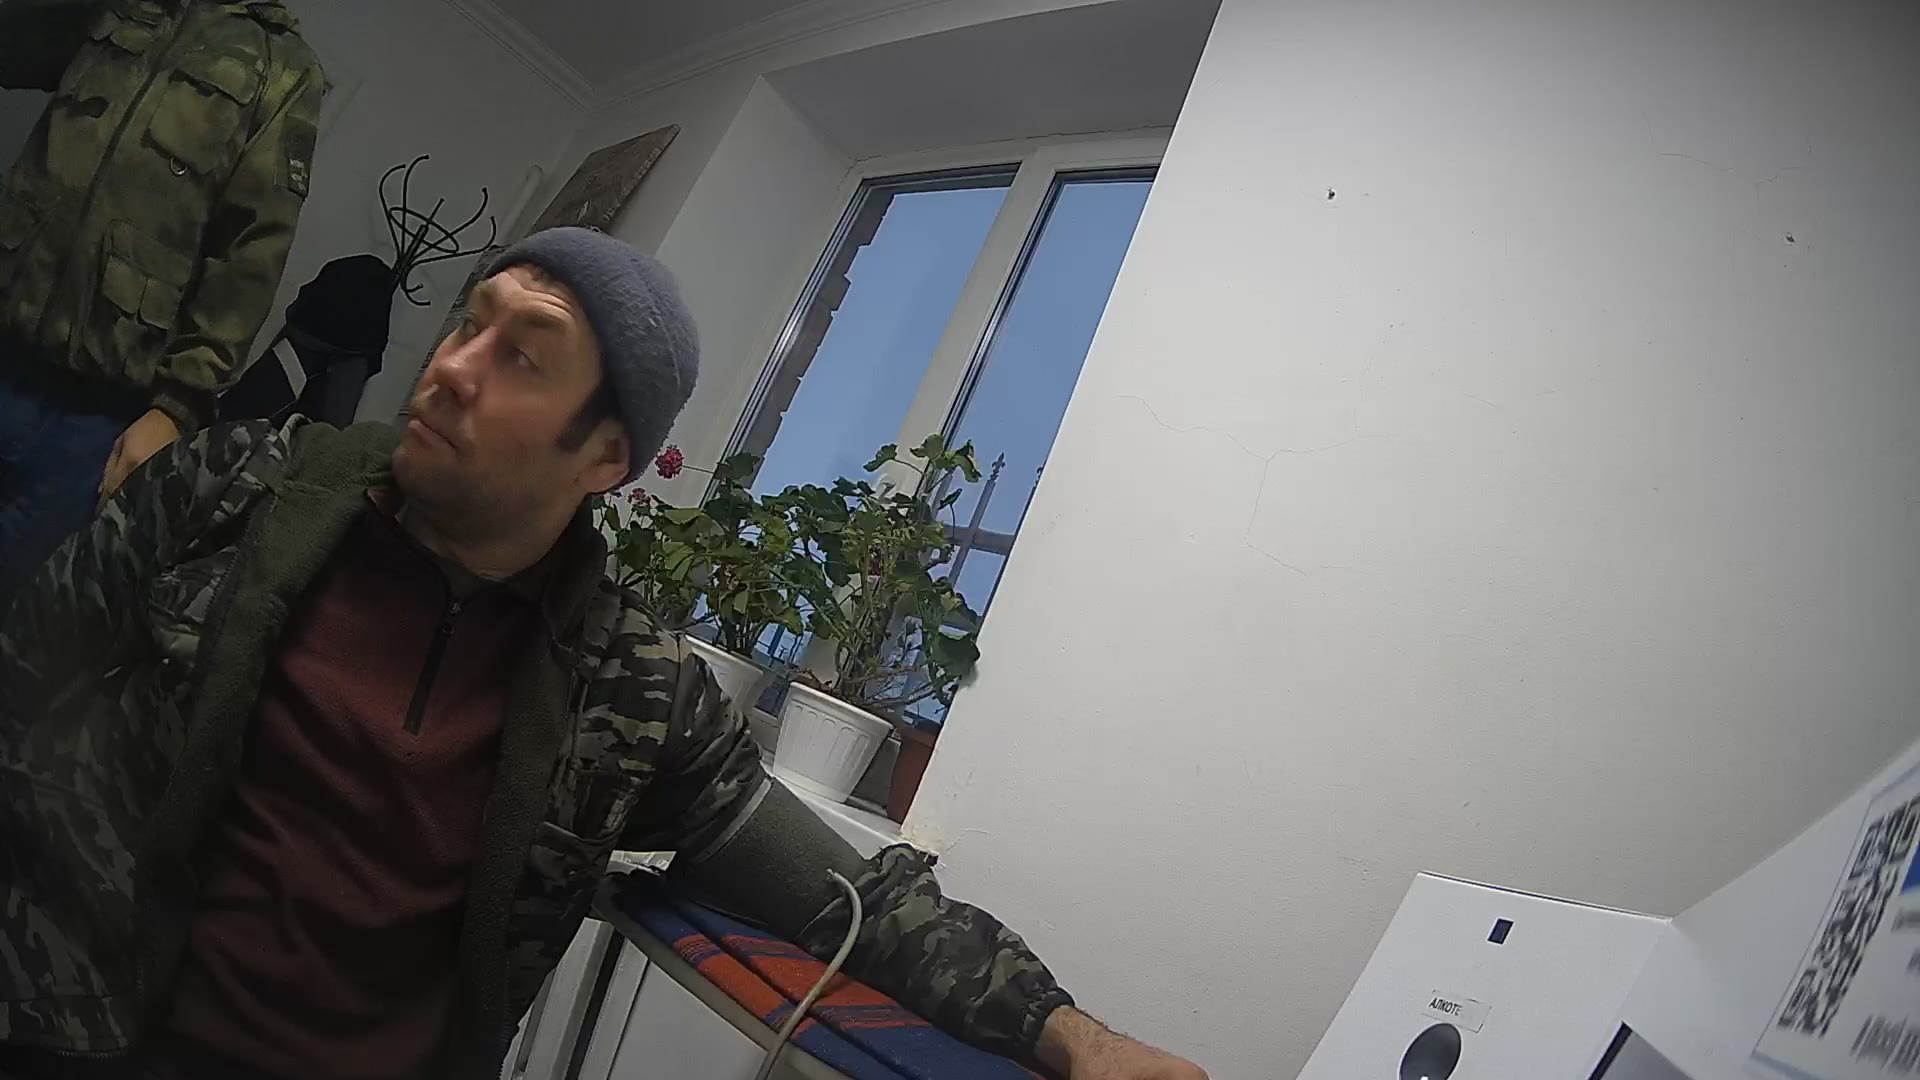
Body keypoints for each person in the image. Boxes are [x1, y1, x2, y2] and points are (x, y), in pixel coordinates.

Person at [0, 227, 1208, 1080]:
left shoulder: (632, 693)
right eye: (468, 323)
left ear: (606, 461)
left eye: (521, 354)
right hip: (82, 1034)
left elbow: (849, 897)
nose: (450, 367)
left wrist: (1076, 1038)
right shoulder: (240, 486)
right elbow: (23, 667)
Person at [0, 0, 325, 600]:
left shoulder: (284, 69)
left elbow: (250, 256)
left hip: (96, 414)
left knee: (20, 603)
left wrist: (176, 409)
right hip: (5, 337)